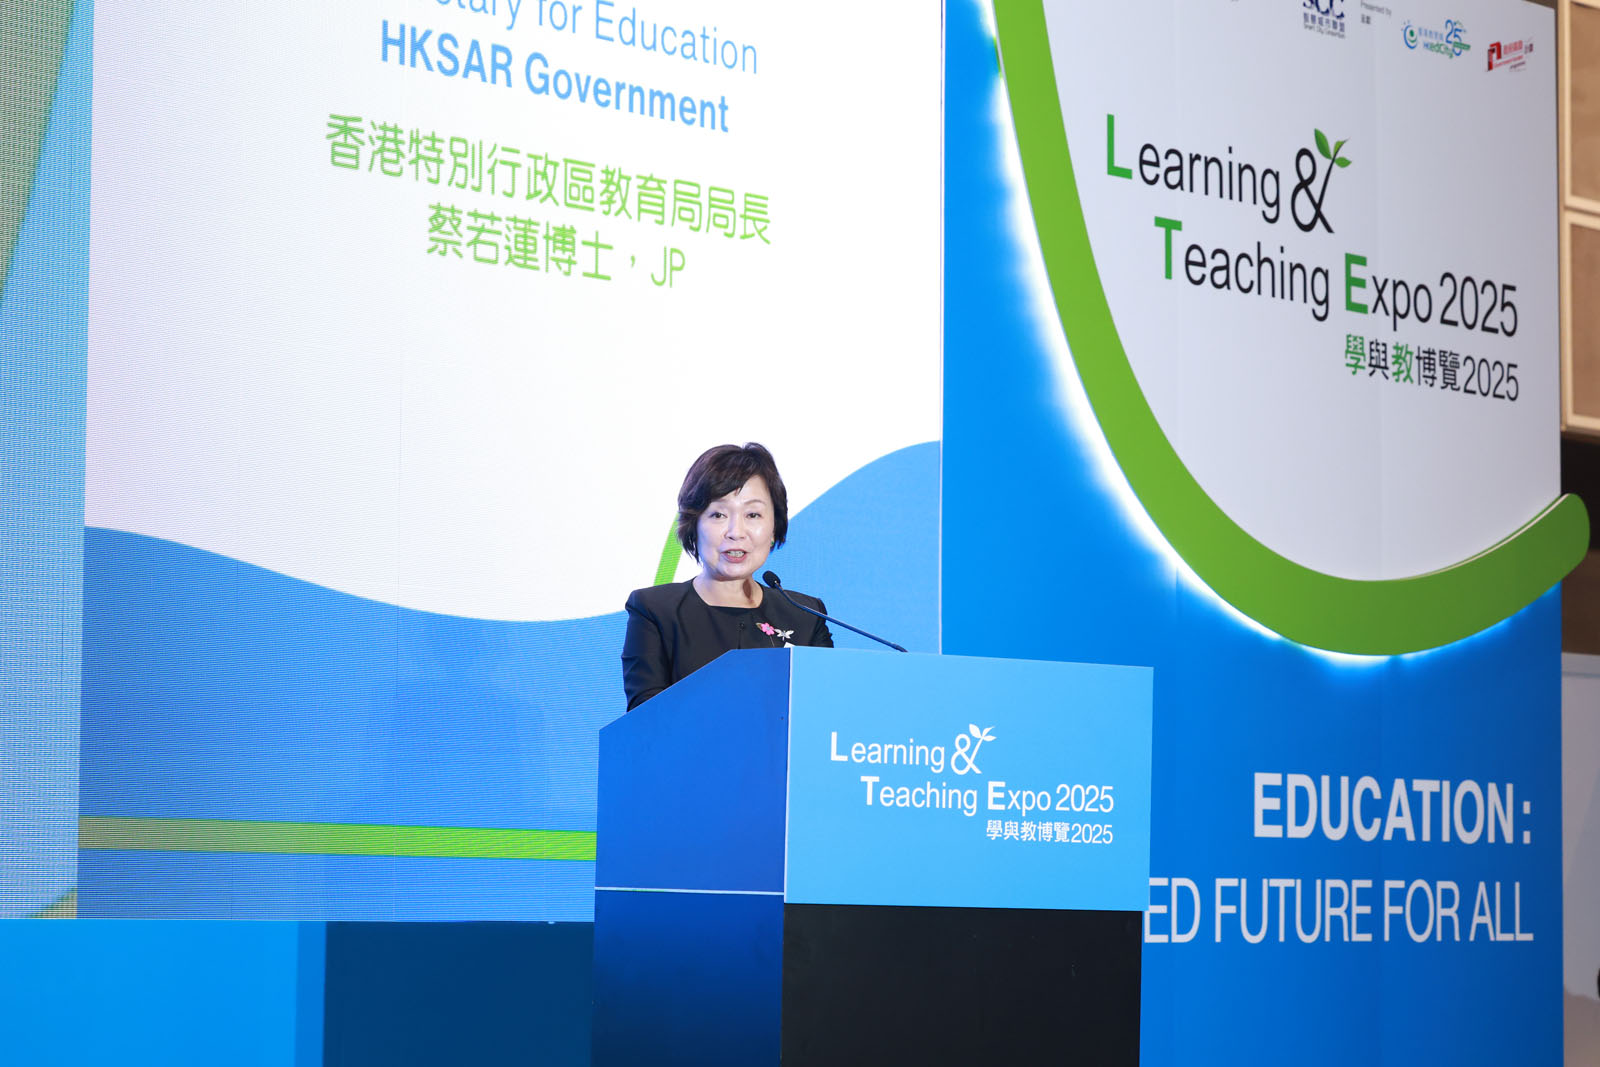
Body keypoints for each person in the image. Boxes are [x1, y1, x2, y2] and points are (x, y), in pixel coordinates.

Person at [621, 442, 833, 710]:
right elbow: (646, 720)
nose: (736, 532)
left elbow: (823, 713)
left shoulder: (806, 616)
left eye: (753, 514)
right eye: (718, 514)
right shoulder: (656, 612)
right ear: (694, 526)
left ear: (774, 527)